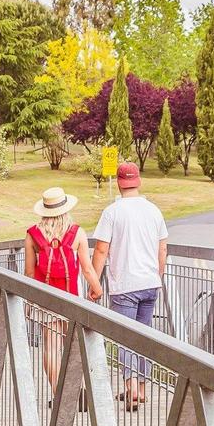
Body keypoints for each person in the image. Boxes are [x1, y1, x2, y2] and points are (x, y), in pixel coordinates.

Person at [91, 162, 168, 408]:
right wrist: (158, 275)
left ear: (120, 182)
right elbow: (162, 247)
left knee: (125, 338)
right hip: (149, 283)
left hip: (125, 285)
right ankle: (144, 387)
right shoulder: (154, 210)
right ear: (138, 181)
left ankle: (131, 388)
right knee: (144, 335)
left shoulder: (112, 212)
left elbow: (101, 249)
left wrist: (94, 282)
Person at [25, 187, 102, 391]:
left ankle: (58, 392)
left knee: (51, 348)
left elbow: (30, 273)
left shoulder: (33, 234)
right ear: (66, 209)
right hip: (71, 298)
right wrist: (97, 288)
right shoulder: (77, 233)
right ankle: (83, 388)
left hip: (46, 299)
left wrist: (28, 301)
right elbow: (86, 268)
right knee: (78, 345)